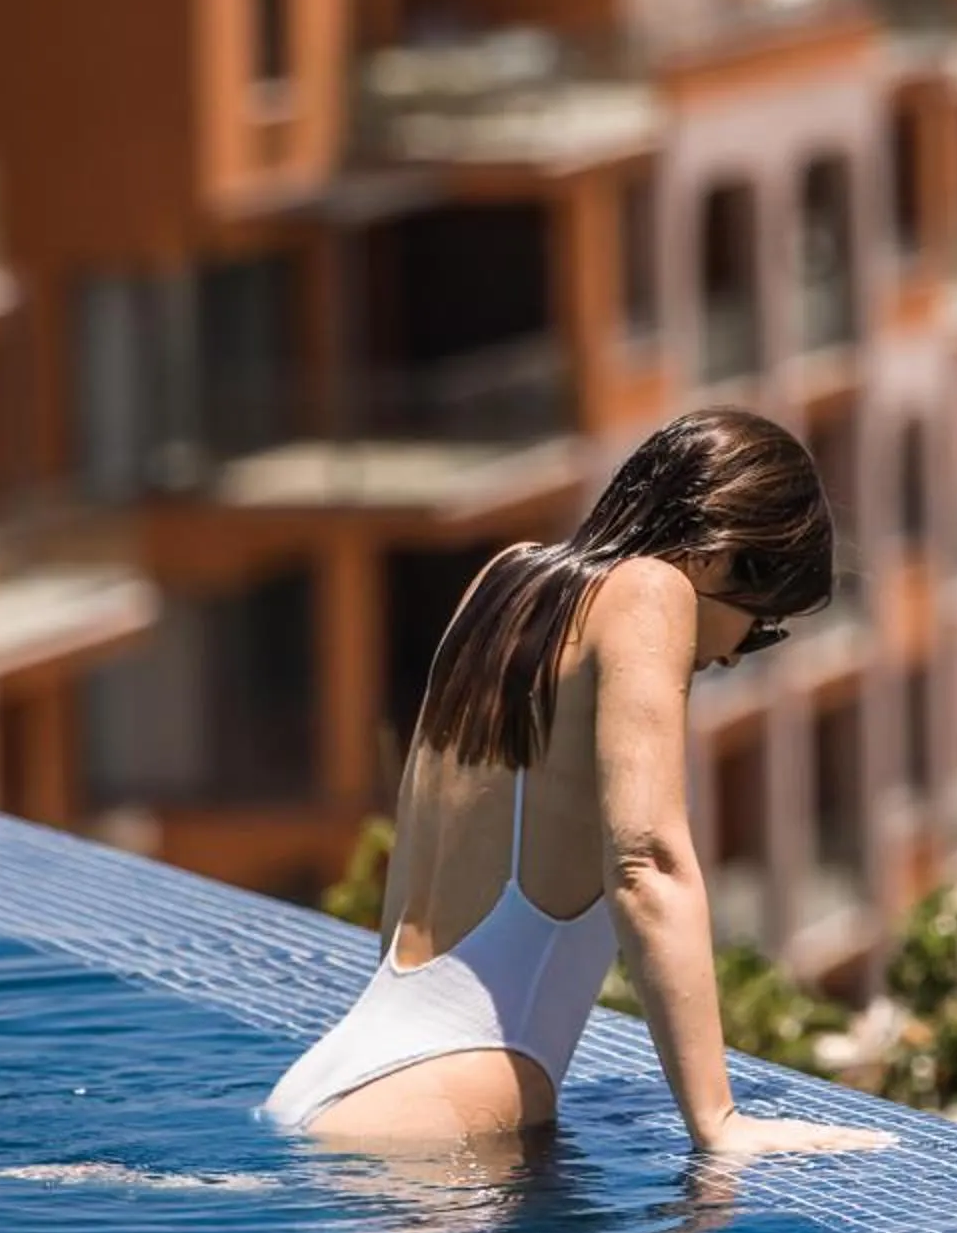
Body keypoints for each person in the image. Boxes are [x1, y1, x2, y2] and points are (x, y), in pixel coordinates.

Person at [265, 409, 891, 1163]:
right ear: (718, 558)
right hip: (444, 1100)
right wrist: (717, 1123)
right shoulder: (653, 592)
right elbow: (647, 865)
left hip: (356, 1065)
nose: (734, 657)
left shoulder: (506, 581)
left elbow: (410, 848)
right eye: (760, 626)